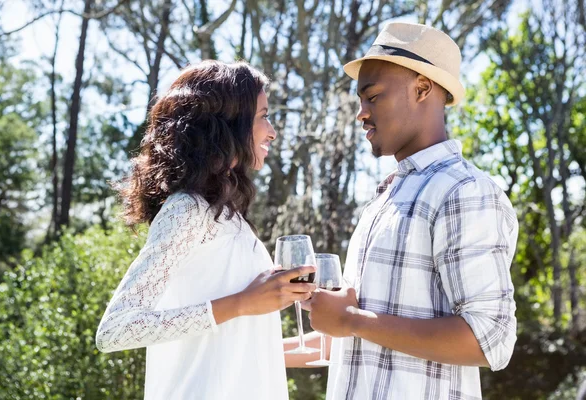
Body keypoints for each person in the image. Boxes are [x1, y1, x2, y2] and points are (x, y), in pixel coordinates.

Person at [307, 22, 519, 399]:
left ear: (422, 88)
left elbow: (491, 340)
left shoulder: (462, 191)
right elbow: (363, 340)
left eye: (372, 97)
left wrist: (351, 320)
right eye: (360, 100)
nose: (361, 113)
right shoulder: (386, 197)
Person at [96, 60, 316, 400]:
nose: (271, 130)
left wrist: (315, 344)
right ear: (229, 124)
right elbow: (116, 330)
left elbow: (219, 340)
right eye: (263, 115)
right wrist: (243, 303)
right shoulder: (187, 209)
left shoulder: (231, 217)